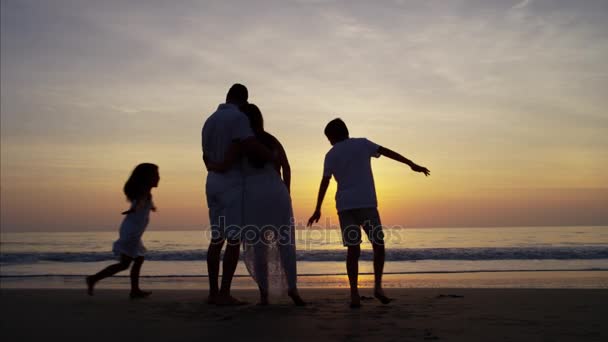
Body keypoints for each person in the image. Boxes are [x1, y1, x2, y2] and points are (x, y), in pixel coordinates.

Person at [307, 118, 430, 308]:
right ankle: (378, 287)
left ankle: (355, 294)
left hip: (345, 206)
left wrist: (317, 208)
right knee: (378, 245)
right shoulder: (362, 144)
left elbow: (325, 181)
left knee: (353, 250)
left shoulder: (330, 154)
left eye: (329, 138)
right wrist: (410, 164)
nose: (329, 142)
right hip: (366, 204)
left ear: (333, 136)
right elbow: (387, 152)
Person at [207, 103, 305, 306]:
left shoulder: (241, 143)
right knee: (285, 243)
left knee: (258, 246)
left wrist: (210, 165)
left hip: (253, 196)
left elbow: (226, 165)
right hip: (277, 193)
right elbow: (286, 167)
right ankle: (293, 290)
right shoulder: (271, 140)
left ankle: (264, 295)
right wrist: (286, 191)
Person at [202, 84, 274, 305]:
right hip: (230, 183)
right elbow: (249, 144)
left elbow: (205, 156)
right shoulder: (239, 119)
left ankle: (213, 292)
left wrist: (215, 167)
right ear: (244, 100)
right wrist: (273, 156)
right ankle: (224, 293)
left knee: (216, 239)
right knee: (233, 240)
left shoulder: (209, 121)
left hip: (212, 181)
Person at [86, 163, 160, 299]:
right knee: (125, 264)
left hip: (132, 232)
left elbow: (143, 202)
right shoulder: (143, 193)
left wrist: (151, 207)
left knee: (137, 260)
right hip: (131, 233)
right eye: (156, 175)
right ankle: (93, 279)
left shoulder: (146, 193)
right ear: (147, 178)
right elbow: (140, 202)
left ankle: (134, 290)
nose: (158, 178)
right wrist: (135, 208)